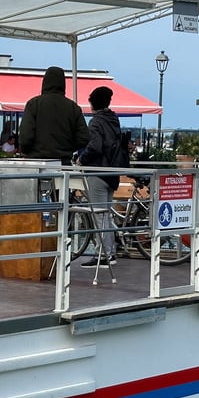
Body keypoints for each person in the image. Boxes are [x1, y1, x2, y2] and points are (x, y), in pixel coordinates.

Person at [74, 86, 123, 268]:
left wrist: (81, 159)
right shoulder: (113, 119)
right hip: (111, 173)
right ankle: (110, 253)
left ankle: (104, 255)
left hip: (97, 172)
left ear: (92, 103)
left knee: (99, 215)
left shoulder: (95, 122)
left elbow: (95, 146)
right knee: (107, 215)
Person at [18, 66, 90, 166]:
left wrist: (27, 150)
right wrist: (67, 149)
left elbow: (26, 136)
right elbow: (84, 138)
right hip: (63, 163)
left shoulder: (33, 104)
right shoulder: (73, 107)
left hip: (37, 162)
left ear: (45, 82)